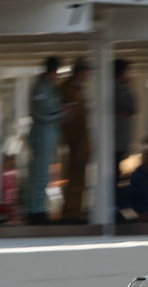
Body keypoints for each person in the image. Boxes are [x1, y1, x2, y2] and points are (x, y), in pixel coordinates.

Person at [26, 56, 63, 225]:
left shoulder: (50, 87)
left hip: (49, 134)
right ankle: (35, 210)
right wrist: (61, 115)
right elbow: (41, 113)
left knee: (43, 173)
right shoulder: (40, 87)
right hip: (42, 134)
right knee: (39, 174)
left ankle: (38, 207)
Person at [60, 58, 91, 224]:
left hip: (81, 142)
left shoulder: (79, 89)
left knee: (80, 180)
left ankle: (76, 212)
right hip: (72, 142)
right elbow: (67, 115)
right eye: (86, 72)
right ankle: (70, 214)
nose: (88, 75)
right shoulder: (67, 89)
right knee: (73, 180)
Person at [114, 58, 136, 211]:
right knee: (114, 175)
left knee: (117, 173)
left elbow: (132, 108)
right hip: (116, 139)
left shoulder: (121, 87)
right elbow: (126, 106)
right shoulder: (116, 87)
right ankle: (114, 207)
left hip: (120, 139)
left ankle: (116, 206)